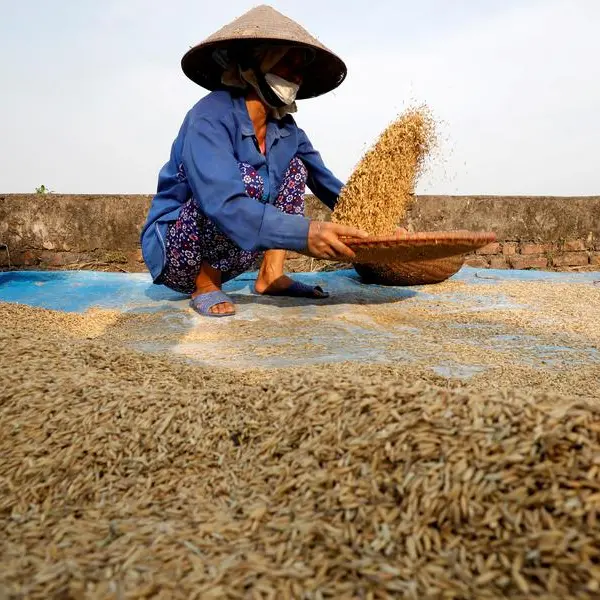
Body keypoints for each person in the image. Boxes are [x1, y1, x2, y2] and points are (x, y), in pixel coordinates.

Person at [140, 5, 368, 317]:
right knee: (247, 179)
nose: (296, 73)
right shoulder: (209, 116)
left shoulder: (288, 131)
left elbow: (328, 186)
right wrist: (305, 233)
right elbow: (221, 200)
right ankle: (205, 283)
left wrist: (373, 224)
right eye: (286, 61)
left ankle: (270, 274)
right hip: (179, 251)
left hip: (238, 248)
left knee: (295, 169)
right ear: (252, 65)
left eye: (300, 66)